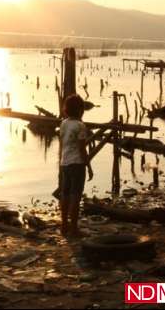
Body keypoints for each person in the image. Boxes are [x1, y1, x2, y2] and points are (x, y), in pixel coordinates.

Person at [58, 94, 92, 237]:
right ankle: (74, 229)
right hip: (77, 164)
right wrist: (88, 165)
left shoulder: (64, 123)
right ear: (80, 110)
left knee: (65, 194)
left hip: (64, 163)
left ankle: (64, 225)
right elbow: (82, 149)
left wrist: (60, 161)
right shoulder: (80, 126)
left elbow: (61, 144)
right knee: (75, 196)